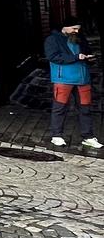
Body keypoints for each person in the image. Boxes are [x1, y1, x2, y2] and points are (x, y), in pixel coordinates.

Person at [45, 18, 102, 148]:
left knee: (85, 109)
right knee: (60, 108)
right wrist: (76, 57)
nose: (76, 31)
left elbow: (87, 52)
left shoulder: (79, 37)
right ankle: (56, 135)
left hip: (83, 78)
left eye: (78, 29)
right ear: (65, 27)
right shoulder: (52, 39)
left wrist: (89, 57)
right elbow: (53, 57)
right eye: (74, 28)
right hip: (63, 79)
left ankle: (88, 136)